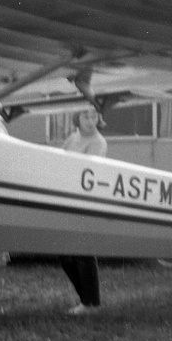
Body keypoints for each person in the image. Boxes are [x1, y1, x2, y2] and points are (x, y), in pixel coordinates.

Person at [60, 107, 106, 314]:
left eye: (94, 116)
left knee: (83, 251)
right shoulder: (72, 139)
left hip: (85, 201)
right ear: (76, 118)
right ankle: (86, 300)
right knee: (64, 253)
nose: (90, 120)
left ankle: (90, 303)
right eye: (85, 116)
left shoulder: (97, 142)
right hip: (67, 199)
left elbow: (87, 173)